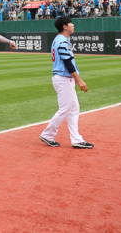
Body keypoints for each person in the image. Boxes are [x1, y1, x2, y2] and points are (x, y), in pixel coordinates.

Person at [39, 16, 93, 149]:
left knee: (74, 109)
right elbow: (68, 62)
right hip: (63, 79)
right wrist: (79, 80)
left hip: (64, 79)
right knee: (65, 109)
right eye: (71, 23)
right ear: (65, 27)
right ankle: (47, 134)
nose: (73, 25)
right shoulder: (62, 41)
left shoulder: (61, 40)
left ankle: (76, 139)